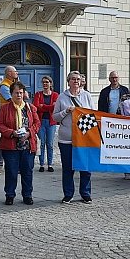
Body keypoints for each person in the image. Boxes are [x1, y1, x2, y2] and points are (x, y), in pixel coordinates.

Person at [53, 71, 94, 204]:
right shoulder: (62, 97)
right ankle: (68, 194)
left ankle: (85, 193)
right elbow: (55, 117)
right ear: (68, 81)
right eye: (73, 79)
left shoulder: (87, 96)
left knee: (85, 167)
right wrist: (66, 111)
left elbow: (93, 115)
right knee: (68, 168)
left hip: (84, 138)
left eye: (78, 79)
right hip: (67, 138)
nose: (76, 81)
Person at [0, 81, 40, 205]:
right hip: (10, 145)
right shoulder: (5, 108)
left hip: (27, 145)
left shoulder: (30, 108)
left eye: (21, 93)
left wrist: (29, 133)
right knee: (11, 172)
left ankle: (27, 195)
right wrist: (12, 133)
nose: (19, 95)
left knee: (27, 171)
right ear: (11, 94)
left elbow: (37, 124)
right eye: (16, 93)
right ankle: (10, 195)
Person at [0, 65, 19, 174]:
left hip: (16, 113)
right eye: (15, 71)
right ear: (9, 73)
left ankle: (17, 165)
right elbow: (11, 100)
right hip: (7, 114)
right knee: (5, 138)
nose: (17, 73)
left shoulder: (14, 84)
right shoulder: (4, 86)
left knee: (18, 137)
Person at [32, 75, 59, 173]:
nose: (45, 84)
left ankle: (50, 164)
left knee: (50, 144)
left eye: (47, 82)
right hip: (41, 122)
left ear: (50, 83)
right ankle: (42, 164)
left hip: (51, 122)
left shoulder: (55, 95)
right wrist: (49, 107)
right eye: (43, 82)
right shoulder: (38, 94)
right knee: (41, 143)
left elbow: (55, 108)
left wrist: (43, 106)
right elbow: (36, 107)